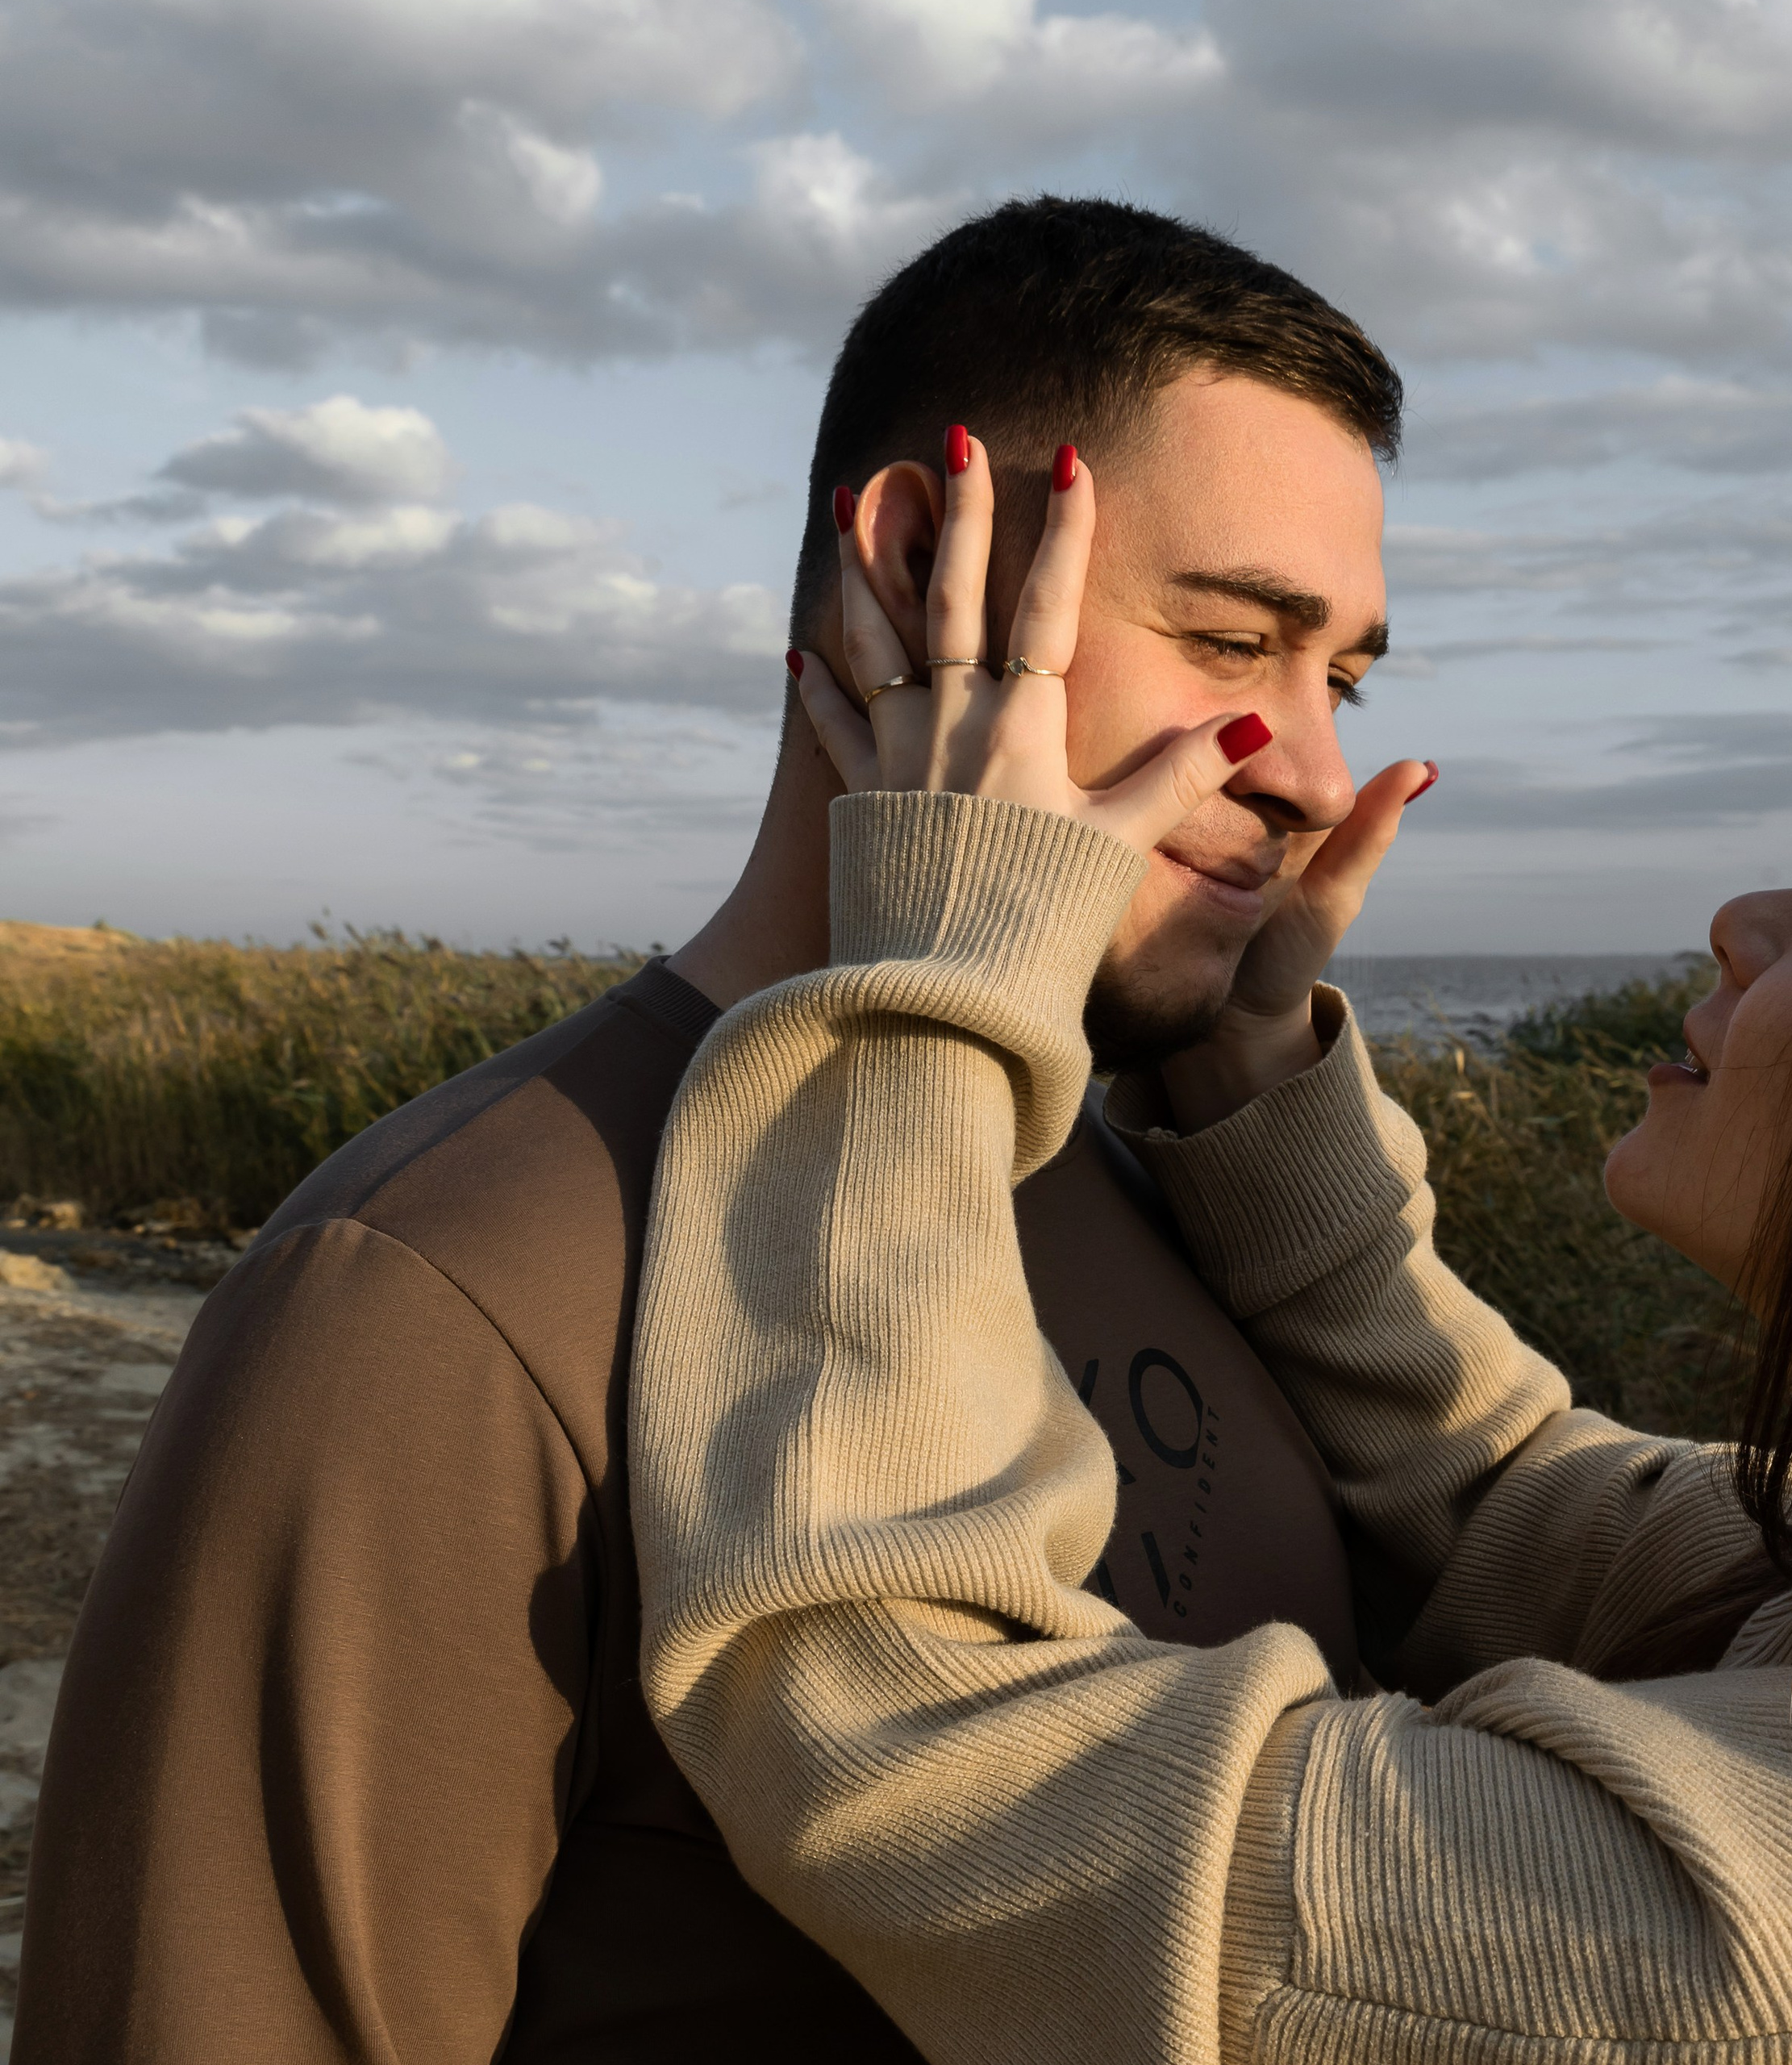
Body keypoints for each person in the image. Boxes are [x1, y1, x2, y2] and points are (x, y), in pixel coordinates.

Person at [16, 197, 1416, 2060]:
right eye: (1238, 638)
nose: (1313, 774)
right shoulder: (442, 1295)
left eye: (1344, 679)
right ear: (924, 562)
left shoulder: (1175, 1192)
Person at [625, 432, 1792, 2060]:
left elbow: (901, 1732)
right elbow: (1497, 1502)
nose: (1741, 911)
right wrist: (1248, 1082)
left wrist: (941, 972)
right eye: (1235, 647)